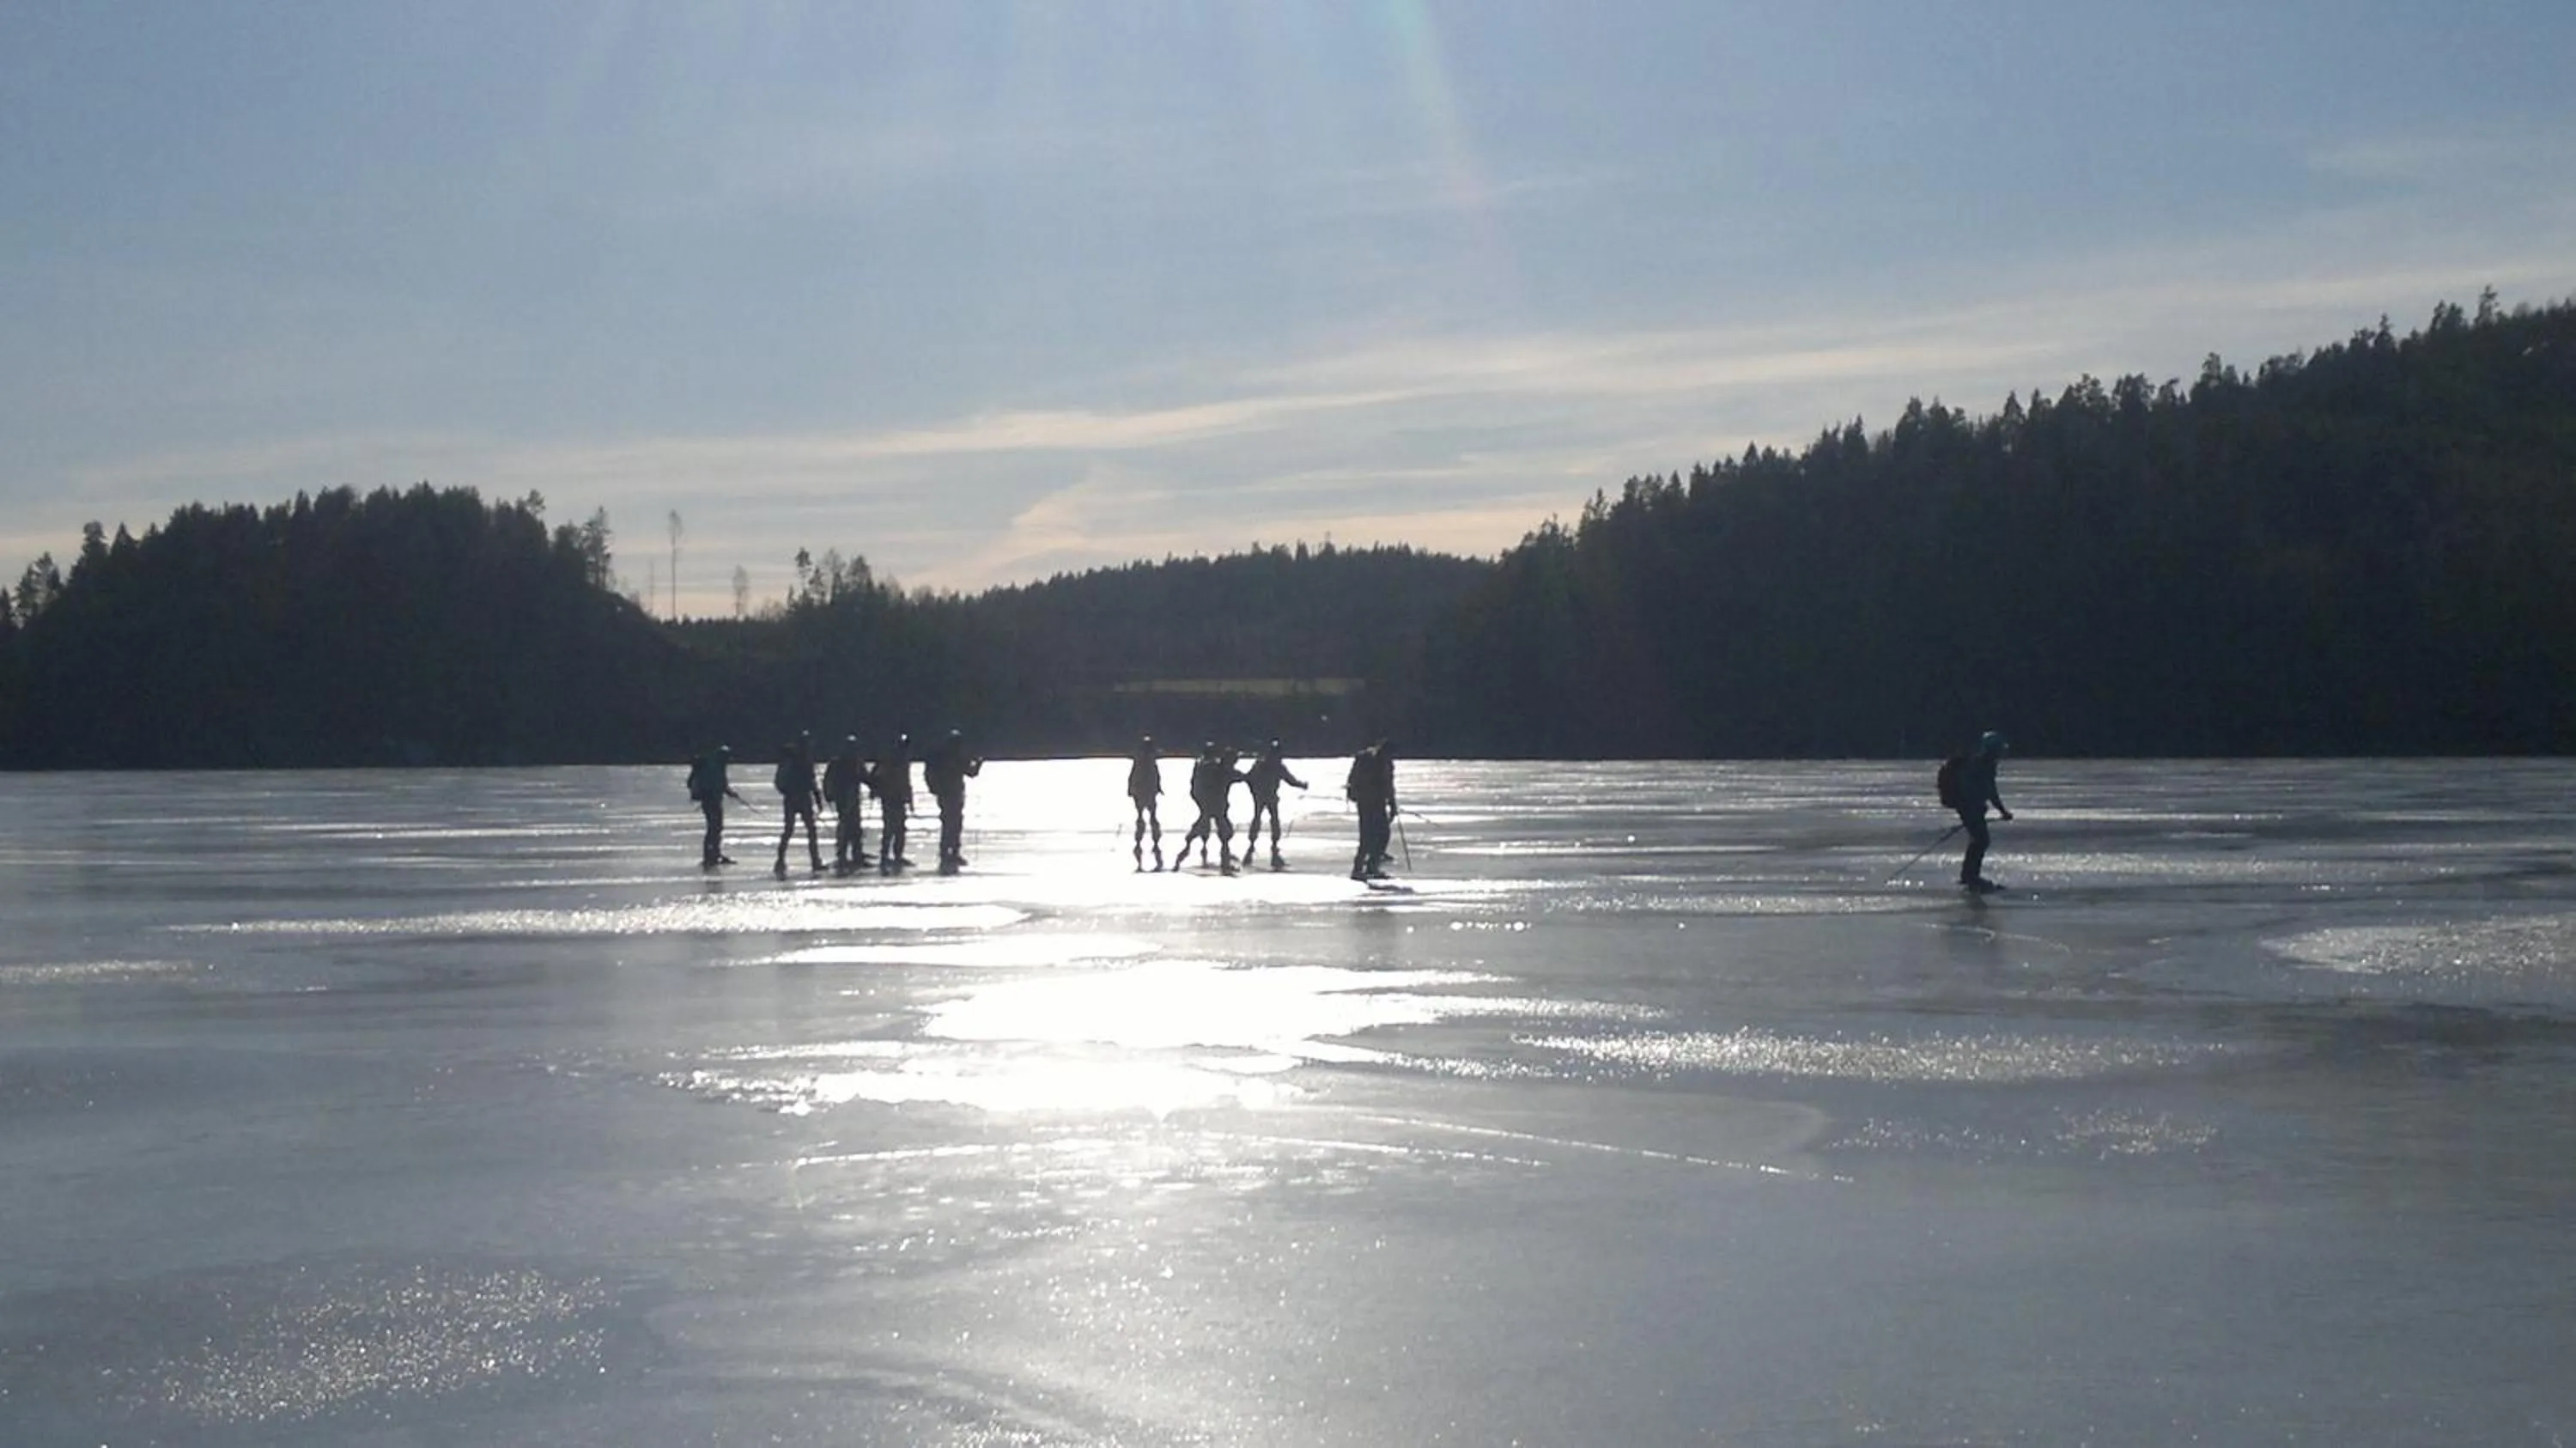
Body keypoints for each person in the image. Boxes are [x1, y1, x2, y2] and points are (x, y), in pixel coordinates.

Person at [1952, 730, 2015, 892]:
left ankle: (1969, 875)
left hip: (1971, 807)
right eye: (2000, 748)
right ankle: (1970, 877)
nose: (2002, 752)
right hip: (1969, 808)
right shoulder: (1983, 765)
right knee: (1981, 840)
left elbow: (1988, 791)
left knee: (1979, 840)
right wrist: (2002, 811)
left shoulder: (1982, 763)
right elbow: (1989, 790)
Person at [1177, 741, 1243, 873]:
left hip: (1208, 805)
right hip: (1216, 805)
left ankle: (1183, 854)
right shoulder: (1218, 769)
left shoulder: (1204, 767)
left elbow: (1195, 789)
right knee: (1224, 833)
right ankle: (1224, 862)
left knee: (1205, 829)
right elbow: (1237, 776)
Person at [1242, 739, 1308, 870]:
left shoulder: (1260, 764)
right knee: (1273, 821)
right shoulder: (1277, 766)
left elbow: (1249, 778)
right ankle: (1273, 850)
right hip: (1269, 795)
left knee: (1258, 819)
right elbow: (1290, 780)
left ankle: (1252, 848)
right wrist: (1302, 785)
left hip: (1260, 796)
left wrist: (1254, 791)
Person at [922, 728, 983, 870]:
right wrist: (979, 762)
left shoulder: (943, 757)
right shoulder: (955, 757)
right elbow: (972, 772)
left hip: (948, 794)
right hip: (952, 794)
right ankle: (950, 852)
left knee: (950, 823)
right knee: (953, 823)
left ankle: (948, 852)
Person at [685, 744, 747, 867]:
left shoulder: (716, 766)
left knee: (715, 828)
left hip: (712, 801)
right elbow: (719, 784)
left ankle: (714, 854)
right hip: (711, 802)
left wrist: (730, 793)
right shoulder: (714, 768)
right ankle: (710, 855)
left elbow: (722, 785)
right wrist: (729, 793)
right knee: (714, 828)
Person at [772, 732, 825, 876]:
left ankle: (780, 860)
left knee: (789, 830)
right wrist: (818, 799)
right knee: (810, 831)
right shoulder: (804, 760)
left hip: (790, 798)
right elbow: (812, 782)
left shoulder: (791, 759)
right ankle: (815, 861)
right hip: (802, 798)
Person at [823, 734, 875, 873]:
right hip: (843, 799)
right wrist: (829, 795)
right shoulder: (838, 763)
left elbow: (866, 778)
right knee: (846, 826)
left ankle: (855, 854)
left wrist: (874, 787)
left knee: (854, 827)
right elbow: (828, 781)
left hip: (853, 798)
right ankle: (843, 855)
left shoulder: (856, 763)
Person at [1346, 739, 1396, 880]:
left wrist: (1392, 804)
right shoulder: (1366, 759)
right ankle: (1358, 868)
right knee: (1367, 836)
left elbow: (1389, 784)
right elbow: (1354, 780)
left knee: (1383, 834)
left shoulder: (1387, 763)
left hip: (1379, 802)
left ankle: (1372, 866)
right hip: (1366, 802)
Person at [875, 733, 915, 871]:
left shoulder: (902, 761)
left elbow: (906, 782)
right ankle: (885, 856)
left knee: (899, 829)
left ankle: (897, 856)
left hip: (898, 798)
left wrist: (909, 800)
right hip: (890, 799)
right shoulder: (890, 761)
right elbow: (879, 777)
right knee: (890, 829)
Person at [1127, 735, 1165, 871]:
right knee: (1152, 817)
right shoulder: (1148, 760)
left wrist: (1131, 790)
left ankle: (1144, 843)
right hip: (1147, 792)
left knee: (1143, 817)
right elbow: (1153, 775)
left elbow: (1133, 776)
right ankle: (1153, 843)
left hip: (1142, 792)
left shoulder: (1140, 759)